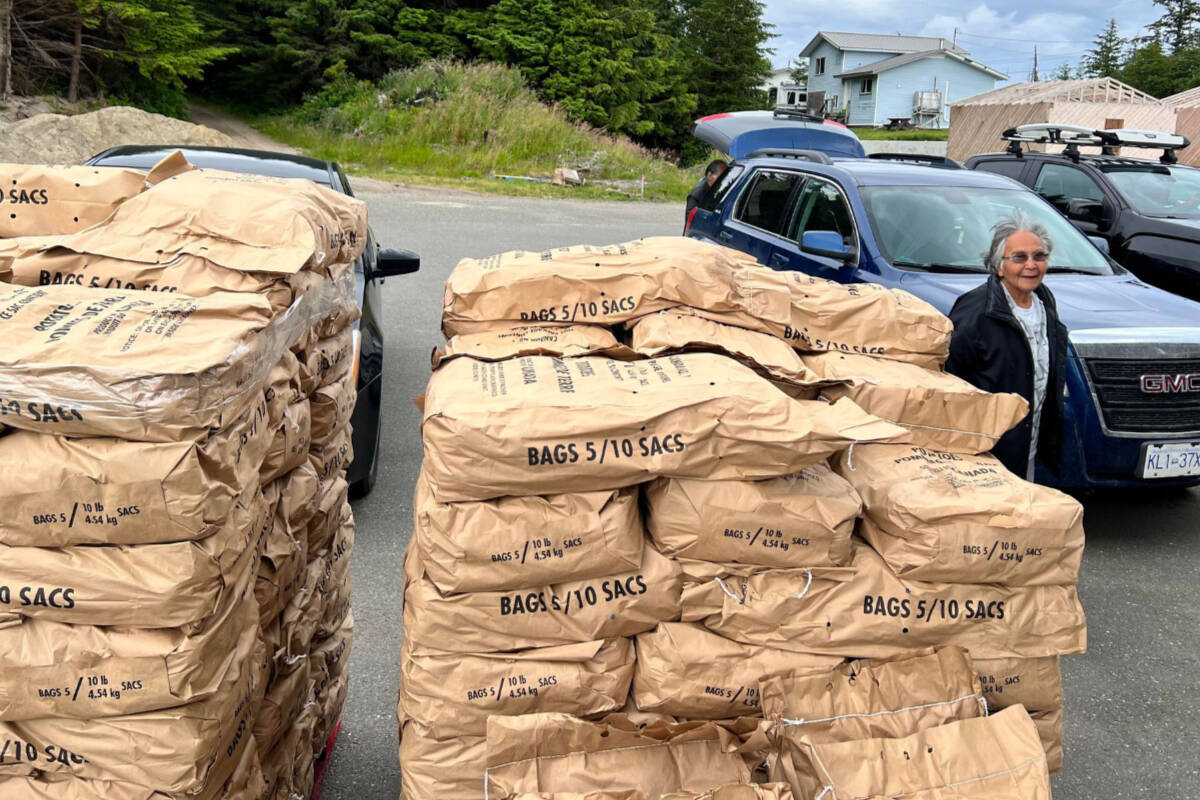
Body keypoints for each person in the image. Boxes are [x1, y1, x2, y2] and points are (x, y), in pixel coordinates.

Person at [945, 213, 1068, 481]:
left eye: (1039, 256)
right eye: (1019, 257)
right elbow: (951, 383)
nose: (1031, 265)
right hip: (988, 451)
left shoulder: (1045, 304)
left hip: (1028, 443)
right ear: (999, 266)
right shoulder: (976, 311)